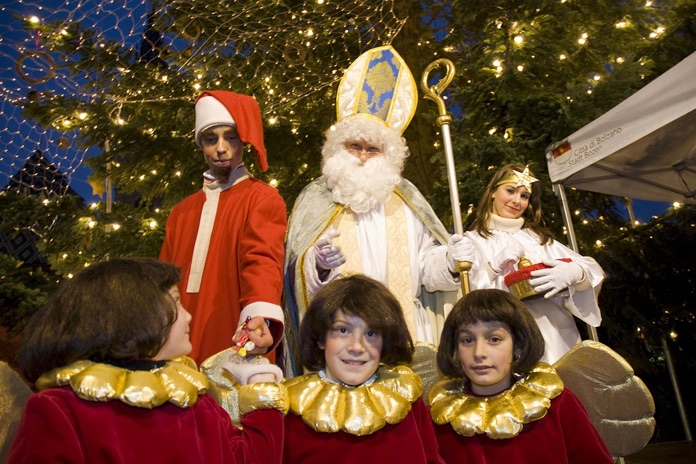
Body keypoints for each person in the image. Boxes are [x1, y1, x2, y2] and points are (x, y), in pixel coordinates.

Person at [284, 47, 464, 373]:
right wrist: (319, 266)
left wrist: (449, 261)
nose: (363, 155)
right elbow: (298, 275)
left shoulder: (408, 200)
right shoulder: (316, 198)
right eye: (355, 146)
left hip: (404, 333)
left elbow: (426, 271)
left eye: (373, 148)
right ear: (338, 148)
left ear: (388, 154)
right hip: (343, 342)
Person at [8, 257, 288, 464]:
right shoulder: (62, 410)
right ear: (135, 314)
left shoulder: (195, 400)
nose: (188, 316)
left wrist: (261, 390)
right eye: (176, 303)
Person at [160, 90, 287, 365]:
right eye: (210, 138)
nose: (220, 148)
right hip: (180, 339)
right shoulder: (181, 213)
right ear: (200, 144)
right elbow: (164, 281)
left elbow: (262, 262)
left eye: (230, 136)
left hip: (236, 334)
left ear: (244, 140)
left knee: (230, 404)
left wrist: (256, 320)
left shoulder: (262, 198)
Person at [429, 289, 614, 463]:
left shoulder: (557, 405)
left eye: (494, 339)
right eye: (467, 340)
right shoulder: (441, 418)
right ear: (455, 348)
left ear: (518, 345)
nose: (479, 352)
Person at [283, 274, 444, 464]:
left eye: (370, 333)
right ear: (320, 338)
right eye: (343, 330)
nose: (356, 347)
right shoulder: (291, 407)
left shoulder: (406, 396)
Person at [454, 163, 604, 363]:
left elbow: (592, 271)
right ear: (492, 192)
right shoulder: (472, 242)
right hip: (506, 343)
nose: (517, 201)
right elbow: (464, 296)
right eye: (510, 191)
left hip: (557, 338)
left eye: (524, 196)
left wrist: (578, 272)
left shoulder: (539, 239)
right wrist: (491, 269)